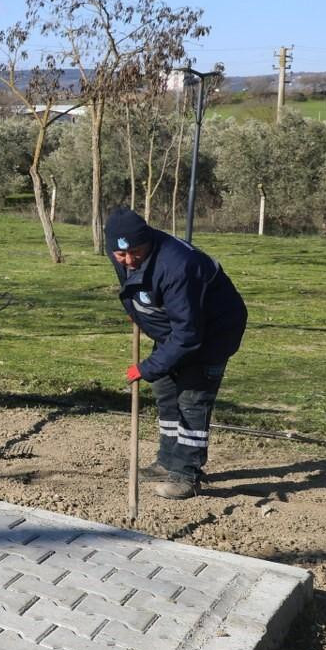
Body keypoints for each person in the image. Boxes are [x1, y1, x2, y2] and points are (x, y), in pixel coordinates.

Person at [107, 206, 247, 500]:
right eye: (122, 255)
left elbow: (188, 335)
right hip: (175, 330)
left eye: (135, 252)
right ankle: (167, 461)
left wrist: (146, 368)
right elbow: (134, 288)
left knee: (192, 400)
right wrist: (138, 313)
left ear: (147, 241)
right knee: (166, 392)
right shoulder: (122, 252)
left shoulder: (178, 264)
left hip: (212, 333)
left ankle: (186, 474)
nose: (129, 260)